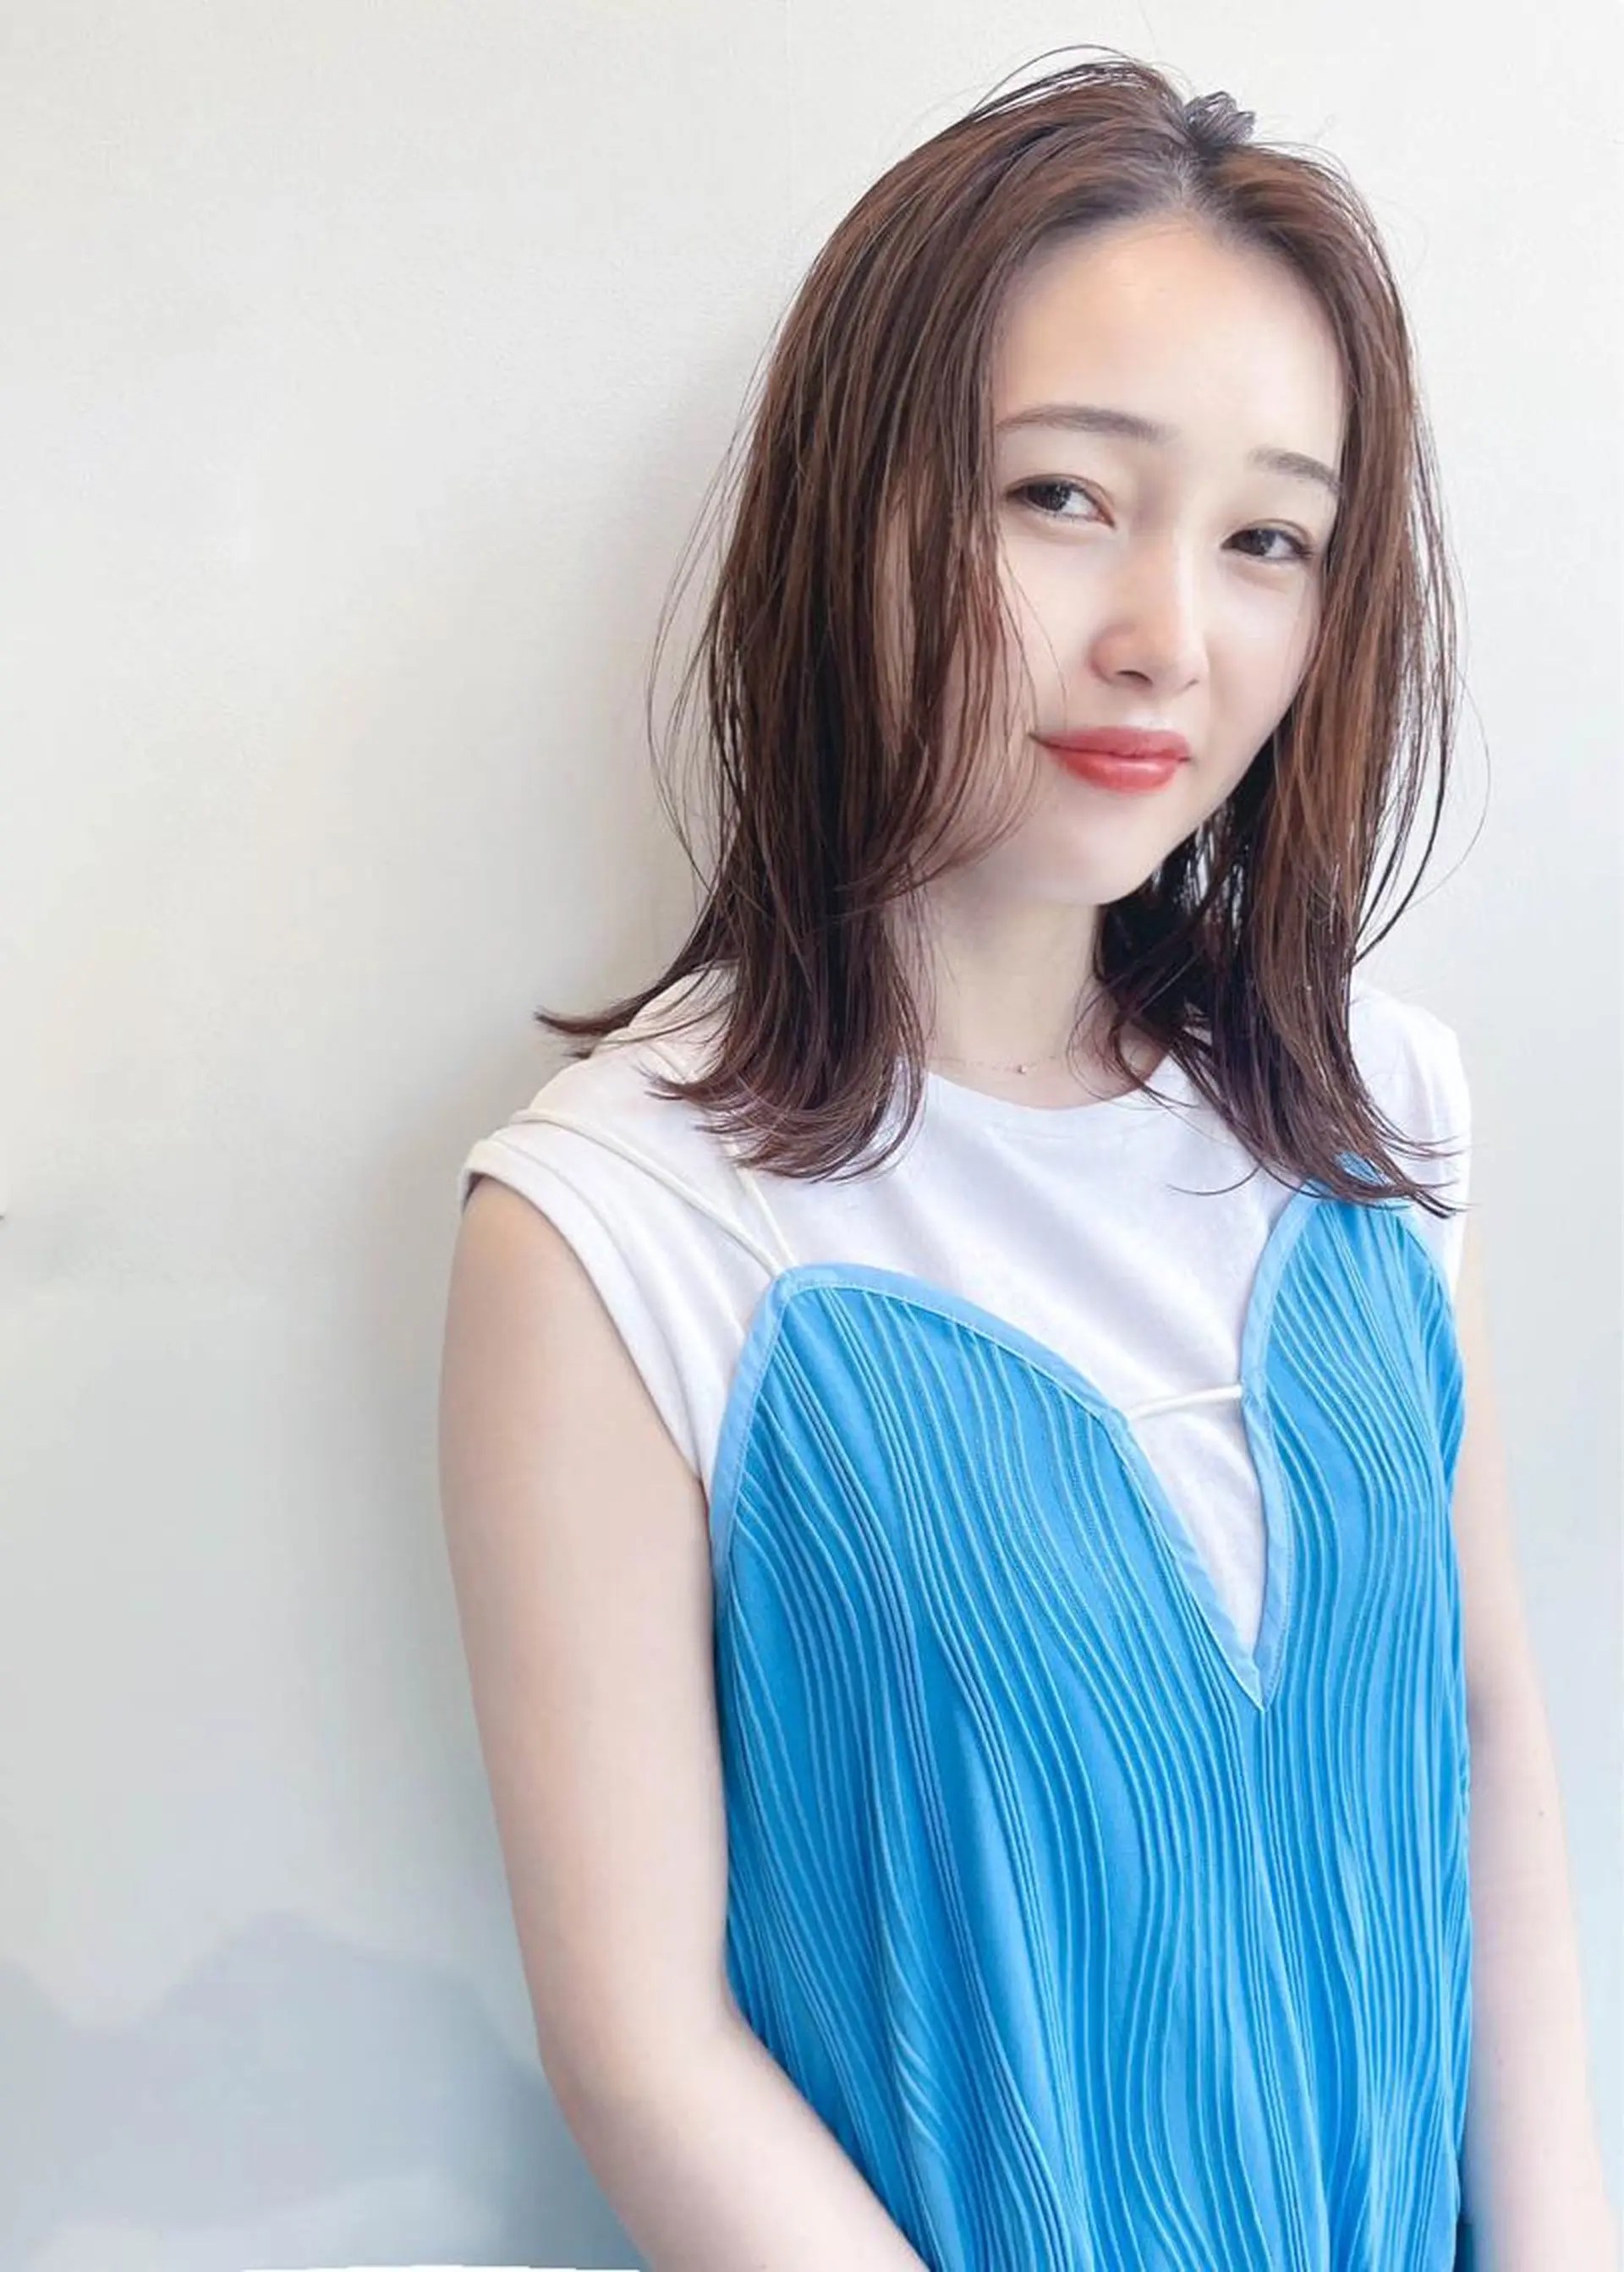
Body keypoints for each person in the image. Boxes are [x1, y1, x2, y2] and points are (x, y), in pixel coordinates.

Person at [437, 50, 1617, 2272]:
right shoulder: (619, 1227)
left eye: (1267, 538)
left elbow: (1479, 1743)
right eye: (1065, 496)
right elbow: (646, 2046)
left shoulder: (1376, 1114)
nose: (1167, 636)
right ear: (859, 508)